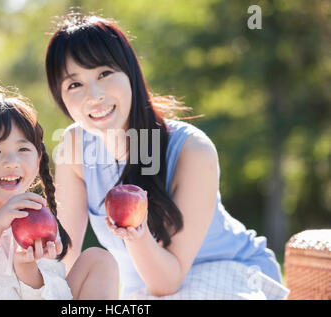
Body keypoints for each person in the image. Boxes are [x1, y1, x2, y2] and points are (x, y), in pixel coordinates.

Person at [45, 13, 290, 300]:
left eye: (104, 74)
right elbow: (67, 254)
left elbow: (167, 282)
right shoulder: (73, 147)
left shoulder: (192, 150)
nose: (94, 95)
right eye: (75, 85)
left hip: (230, 274)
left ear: (130, 74)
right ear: (60, 97)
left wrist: (135, 233)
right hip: (149, 291)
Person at [0, 84, 119, 300]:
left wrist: (28, 271)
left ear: (37, 162)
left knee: (99, 260)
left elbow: (59, 297)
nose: (11, 162)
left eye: (23, 149)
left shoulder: (35, 214)